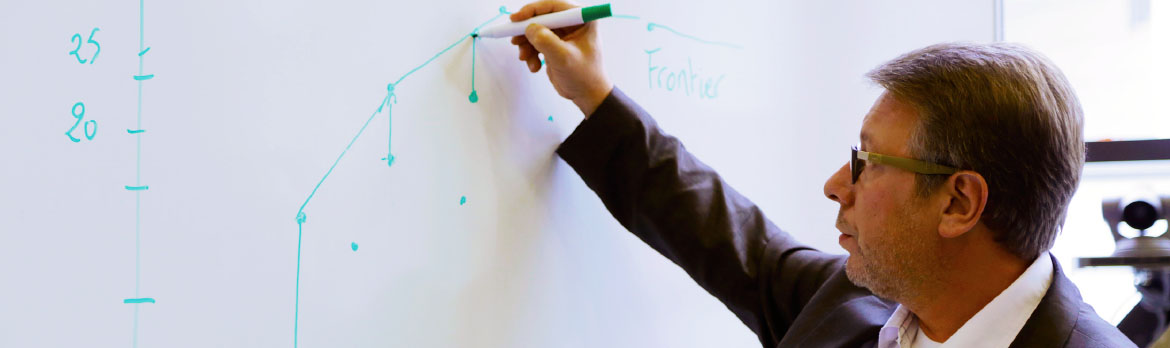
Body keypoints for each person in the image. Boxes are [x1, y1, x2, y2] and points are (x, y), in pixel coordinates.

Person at [508, 1, 1136, 347]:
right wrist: (593, 96)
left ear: (959, 203)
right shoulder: (856, 307)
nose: (837, 184)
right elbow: (722, 232)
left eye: (867, 161)